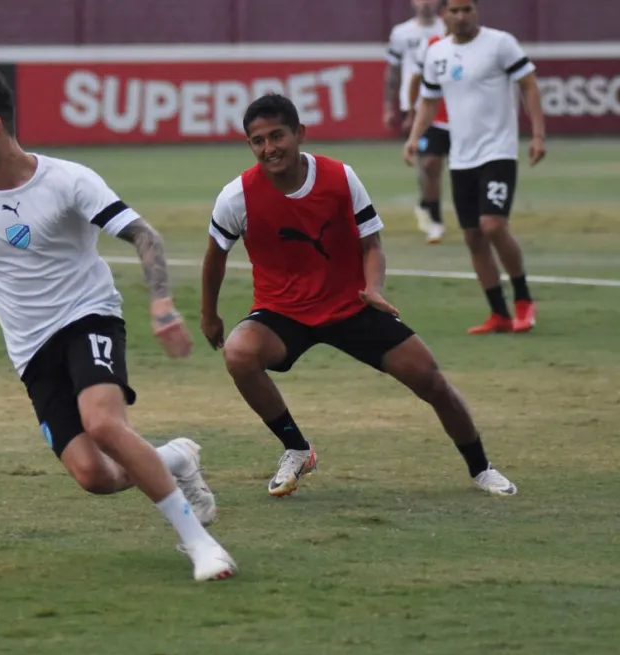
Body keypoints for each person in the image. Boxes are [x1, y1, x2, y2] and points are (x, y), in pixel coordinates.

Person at [0, 69, 236, 581]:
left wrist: (161, 303)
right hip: (30, 350)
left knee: (104, 425)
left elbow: (144, 236)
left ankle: (202, 545)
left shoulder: (68, 180)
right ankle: (173, 459)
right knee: (95, 475)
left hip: (88, 316)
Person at [200, 93, 518, 499]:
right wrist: (209, 314)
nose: (269, 148)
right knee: (239, 354)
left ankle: (481, 468)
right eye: (258, 141)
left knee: (431, 380)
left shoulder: (340, 177)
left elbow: (372, 244)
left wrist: (373, 288)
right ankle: (297, 449)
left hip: (351, 305)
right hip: (282, 311)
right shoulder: (236, 196)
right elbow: (215, 256)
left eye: (277, 136)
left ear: (299, 133)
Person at [404, 0, 546, 334]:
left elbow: (528, 83)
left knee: (493, 225)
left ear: (476, 11)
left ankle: (523, 300)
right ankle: (499, 314)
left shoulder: (500, 43)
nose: (461, 16)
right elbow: (429, 100)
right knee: (472, 236)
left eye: (467, 9)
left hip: (498, 152)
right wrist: (414, 137)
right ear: (444, 15)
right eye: (454, 10)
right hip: (462, 156)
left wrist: (538, 135)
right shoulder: (437, 53)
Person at [384, 0, 447, 240]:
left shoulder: (447, 27)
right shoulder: (401, 33)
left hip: (449, 104)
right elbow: (393, 71)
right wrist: (390, 107)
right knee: (428, 162)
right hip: (417, 105)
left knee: (445, 164)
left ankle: (427, 203)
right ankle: (433, 213)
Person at [408, 3, 454, 244]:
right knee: (430, 164)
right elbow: (415, 78)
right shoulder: (432, 45)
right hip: (436, 119)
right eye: (452, 10)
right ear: (443, 14)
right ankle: (435, 221)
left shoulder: (485, 45)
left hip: (467, 121)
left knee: (467, 171)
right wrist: (412, 110)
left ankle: (478, 216)